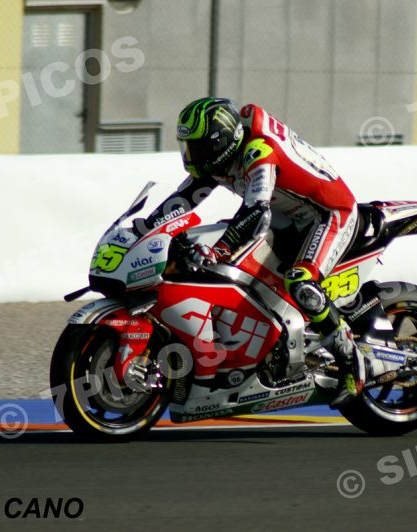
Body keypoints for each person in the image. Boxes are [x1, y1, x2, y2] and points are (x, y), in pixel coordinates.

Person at [141, 97, 365, 407]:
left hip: (327, 214)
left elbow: (256, 213)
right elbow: (184, 199)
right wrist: (147, 227)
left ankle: (352, 362)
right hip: (286, 215)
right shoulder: (216, 159)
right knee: (230, 268)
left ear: (220, 143)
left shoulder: (259, 152)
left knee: (301, 283)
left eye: (198, 147)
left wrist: (219, 249)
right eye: (187, 146)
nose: (192, 155)